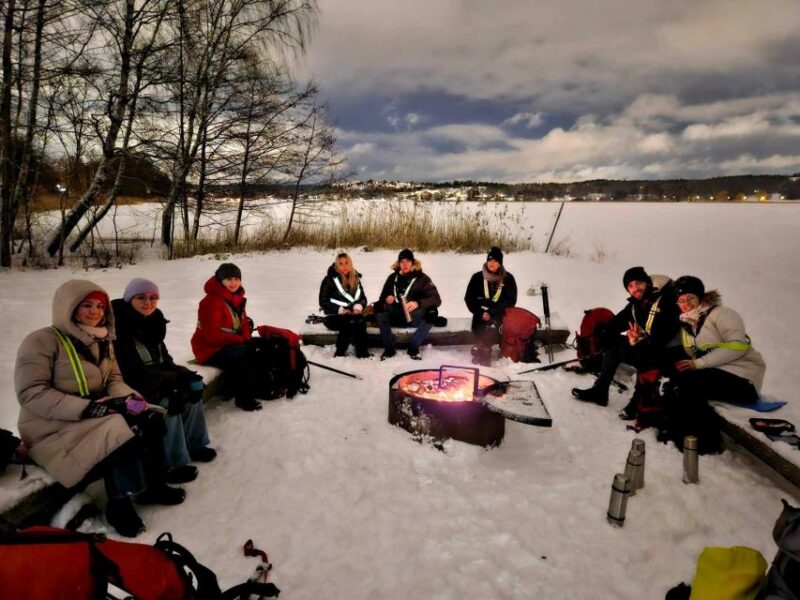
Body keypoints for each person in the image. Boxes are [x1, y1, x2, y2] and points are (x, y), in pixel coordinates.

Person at [14, 280, 184, 538]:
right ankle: (120, 503)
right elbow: (32, 393)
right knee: (121, 431)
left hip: (94, 413)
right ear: (68, 307)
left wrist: (133, 400)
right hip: (50, 425)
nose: (95, 312)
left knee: (148, 417)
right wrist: (87, 409)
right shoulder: (42, 341)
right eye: (86, 305)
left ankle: (150, 484)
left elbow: (114, 381)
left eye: (100, 307)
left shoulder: (103, 339)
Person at [112, 278, 217, 486]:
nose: (148, 302)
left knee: (192, 394)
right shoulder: (120, 328)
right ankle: (171, 464)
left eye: (153, 298)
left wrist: (186, 375)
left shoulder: (153, 323)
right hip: (133, 388)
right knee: (168, 405)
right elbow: (130, 372)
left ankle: (194, 444)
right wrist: (171, 383)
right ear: (129, 299)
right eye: (141, 297)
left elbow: (165, 362)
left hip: (157, 381)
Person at [662, 275, 766, 453]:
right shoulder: (688, 325)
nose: (686, 303)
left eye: (690, 298)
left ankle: (706, 443)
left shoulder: (722, 314)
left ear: (700, 297)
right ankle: (678, 433)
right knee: (674, 383)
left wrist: (700, 363)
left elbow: (738, 345)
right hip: (715, 374)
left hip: (743, 378)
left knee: (688, 386)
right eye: (681, 300)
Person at [572, 266, 680, 419]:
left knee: (645, 350)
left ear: (647, 282)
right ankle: (600, 391)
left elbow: (663, 336)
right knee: (613, 342)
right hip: (650, 346)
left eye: (638, 283)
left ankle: (639, 401)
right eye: (630, 286)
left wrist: (638, 341)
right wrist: (603, 335)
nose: (635, 288)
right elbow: (617, 322)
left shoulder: (666, 300)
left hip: (670, 353)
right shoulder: (637, 304)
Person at [191, 263, 262, 412]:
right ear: (220, 280)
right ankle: (244, 399)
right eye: (229, 279)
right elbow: (212, 336)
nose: (234, 283)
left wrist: (247, 339)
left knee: (255, 348)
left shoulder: (236, 297)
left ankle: (246, 387)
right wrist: (241, 341)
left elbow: (243, 322)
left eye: (237, 279)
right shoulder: (211, 302)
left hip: (227, 344)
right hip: (208, 349)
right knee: (244, 354)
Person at [375, 248, 442, 360]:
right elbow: (382, 298)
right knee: (379, 310)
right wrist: (387, 298)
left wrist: (418, 303)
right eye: (402, 262)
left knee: (432, 312)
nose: (405, 264)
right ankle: (389, 348)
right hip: (395, 315)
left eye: (408, 261)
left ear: (413, 263)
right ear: (399, 263)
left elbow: (436, 299)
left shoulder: (422, 278)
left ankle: (413, 347)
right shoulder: (392, 278)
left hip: (413, 316)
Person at [464, 246, 518, 365]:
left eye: (495, 261)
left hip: (499, 314)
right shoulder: (477, 277)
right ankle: (483, 350)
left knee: (493, 327)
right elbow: (469, 298)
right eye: (489, 260)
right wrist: (479, 312)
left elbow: (511, 300)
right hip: (481, 313)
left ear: (500, 263)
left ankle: (483, 351)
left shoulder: (508, 278)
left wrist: (494, 311)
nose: (491, 263)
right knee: (481, 327)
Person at [318, 252, 371, 358]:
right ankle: (340, 352)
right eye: (341, 264)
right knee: (349, 321)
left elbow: (363, 299)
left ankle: (362, 353)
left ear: (350, 264)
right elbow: (323, 301)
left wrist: (358, 307)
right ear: (337, 265)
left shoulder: (355, 278)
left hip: (353, 315)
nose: (344, 266)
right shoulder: (329, 279)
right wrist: (340, 310)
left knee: (359, 320)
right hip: (333, 316)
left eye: (346, 263)